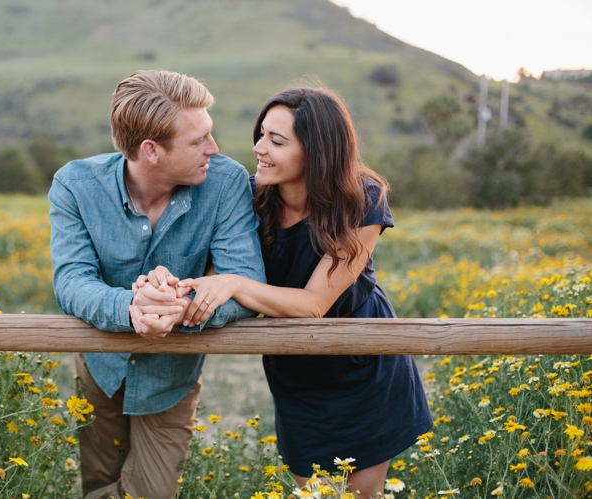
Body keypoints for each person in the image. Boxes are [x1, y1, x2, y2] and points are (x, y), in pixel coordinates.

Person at [143, 87, 432, 498]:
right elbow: (212, 277)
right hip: (295, 370)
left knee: (362, 496)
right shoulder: (248, 197)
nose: (259, 148)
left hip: (365, 366)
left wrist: (236, 283)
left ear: (318, 152)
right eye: (261, 134)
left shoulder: (362, 200)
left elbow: (314, 304)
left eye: (277, 141)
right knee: (317, 494)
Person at [48, 69, 265, 499]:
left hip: (173, 374)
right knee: (99, 483)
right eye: (198, 140)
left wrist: (176, 306)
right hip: (100, 366)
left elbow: (246, 282)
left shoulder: (226, 183)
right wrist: (131, 308)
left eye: (210, 133)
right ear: (151, 150)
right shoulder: (75, 185)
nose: (213, 148)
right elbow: (71, 280)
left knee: (150, 492)